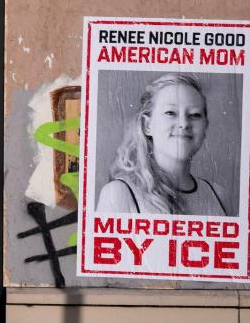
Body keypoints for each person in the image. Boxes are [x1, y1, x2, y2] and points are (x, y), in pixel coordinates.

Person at [96, 73, 230, 216]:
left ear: (205, 126)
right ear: (147, 125)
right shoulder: (120, 194)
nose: (184, 123)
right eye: (170, 113)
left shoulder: (219, 196)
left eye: (195, 114)